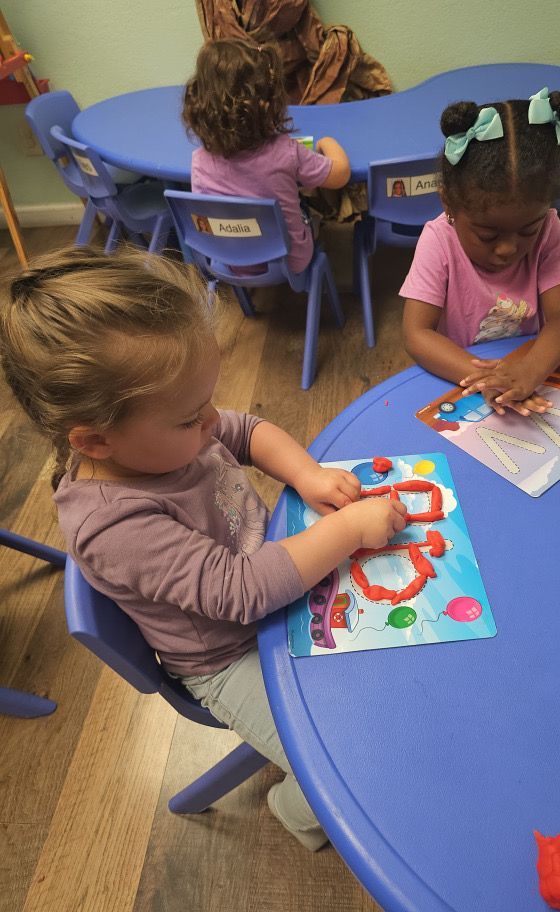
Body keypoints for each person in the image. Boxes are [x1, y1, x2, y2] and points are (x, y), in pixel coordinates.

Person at [0, 247, 406, 851]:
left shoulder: (169, 437)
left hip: (277, 581)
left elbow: (245, 430)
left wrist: (309, 477)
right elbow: (241, 593)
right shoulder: (113, 524)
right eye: (193, 416)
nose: (213, 420)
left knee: (399, 682)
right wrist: (346, 532)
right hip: (228, 657)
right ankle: (297, 808)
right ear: (95, 440)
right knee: (358, 770)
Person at [401, 88, 560, 417]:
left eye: (528, 229)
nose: (508, 248)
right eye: (487, 233)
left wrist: (529, 372)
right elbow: (417, 334)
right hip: (459, 373)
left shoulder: (550, 230)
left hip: (528, 366)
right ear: (448, 204)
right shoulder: (438, 241)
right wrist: (493, 380)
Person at [183, 39, 350, 274]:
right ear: (267, 104)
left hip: (232, 260)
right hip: (289, 261)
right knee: (312, 215)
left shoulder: (199, 161)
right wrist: (327, 142)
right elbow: (340, 175)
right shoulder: (287, 151)